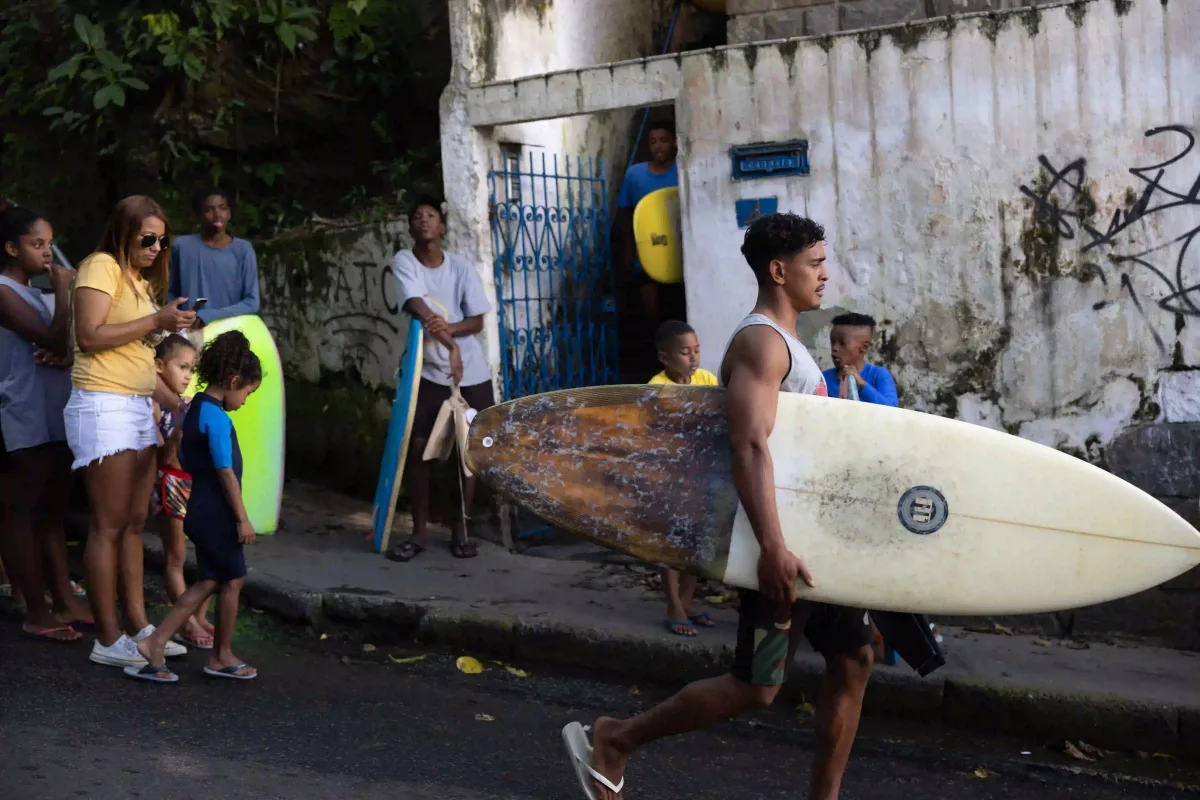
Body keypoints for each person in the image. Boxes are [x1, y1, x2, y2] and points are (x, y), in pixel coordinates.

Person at [563, 213, 874, 800]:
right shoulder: (761, 343)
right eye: (815, 264)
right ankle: (616, 738)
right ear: (778, 272)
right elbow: (747, 443)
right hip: (778, 544)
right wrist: (774, 549)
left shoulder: (789, 344)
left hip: (815, 542)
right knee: (756, 685)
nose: (825, 275)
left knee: (854, 659)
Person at [67, 195, 195, 668]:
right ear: (124, 232)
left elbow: (141, 359)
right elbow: (90, 336)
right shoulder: (100, 266)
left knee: (135, 524)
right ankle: (107, 637)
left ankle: (140, 627)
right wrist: (156, 321)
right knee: (108, 524)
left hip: (139, 407)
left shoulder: (139, 283)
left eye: (163, 241)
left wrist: (179, 404)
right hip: (104, 405)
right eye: (148, 238)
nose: (156, 248)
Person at [126, 330, 261, 682]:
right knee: (233, 580)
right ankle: (221, 655)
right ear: (233, 381)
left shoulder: (194, 407)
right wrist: (243, 519)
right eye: (247, 392)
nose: (245, 400)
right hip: (216, 511)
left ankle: (154, 643)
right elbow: (225, 472)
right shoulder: (217, 418)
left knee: (208, 582)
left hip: (197, 507)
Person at [0, 204, 92, 640]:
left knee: (52, 512)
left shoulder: (35, 293)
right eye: (37, 244)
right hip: (24, 413)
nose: (47, 253)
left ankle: (64, 598)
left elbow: (65, 344)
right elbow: (55, 337)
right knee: (21, 511)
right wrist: (66, 292)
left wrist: (62, 344)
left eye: (50, 244)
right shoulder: (3, 291)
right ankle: (36, 609)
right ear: (11, 248)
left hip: (52, 412)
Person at [386, 196, 494, 562]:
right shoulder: (405, 262)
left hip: (472, 373)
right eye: (417, 216)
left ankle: (461, 529)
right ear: (411, 227)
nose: (424, 220)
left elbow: (477, 320)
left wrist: (447, 334)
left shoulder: (460, 267)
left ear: (442, 226)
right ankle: (418, 533)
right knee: (419, 449)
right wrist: (450, 347)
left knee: (468, 450)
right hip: (427, 371)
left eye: (430, 215)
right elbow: (418, 307)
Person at [647, 320, 719, 637]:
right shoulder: (656, 387)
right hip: (670, 477)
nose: (693, 358)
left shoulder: (706, 380)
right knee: (671, 545)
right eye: (685, 352)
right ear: (665, 358)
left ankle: (688, 600)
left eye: (697, 350)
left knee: (696, 544)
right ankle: (673, 604)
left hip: (702, 475)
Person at [149, 333, 215, 648]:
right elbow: (159, 450)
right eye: (181, 367)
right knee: (175, 556)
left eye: (192, 369)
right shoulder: (154, 403)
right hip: (168, 483)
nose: (188, 375)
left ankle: (198, 616)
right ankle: (187, 622)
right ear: (158, 366)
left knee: (199, 555)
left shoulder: (187, 405)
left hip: (190, 483)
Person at [168, 188, 261, 335]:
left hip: (231, 333)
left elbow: (251, 302)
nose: (217, 214)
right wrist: (177, 316)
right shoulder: (182, 246)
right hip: (189, 332)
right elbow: (171, 292)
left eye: (222, 208)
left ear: (229, 213)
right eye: (208, 210)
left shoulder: (243, 250)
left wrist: (208, 315)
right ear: (199, 215)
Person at [617, 121, 680, 332]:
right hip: (647, 254)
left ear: (674, 142)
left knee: (681, 312)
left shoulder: (683, 171)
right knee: (652, 317)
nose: (658, 146)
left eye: (664, 140)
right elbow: (626, 216)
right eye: (653, 141)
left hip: (678, 254)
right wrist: (628, 254)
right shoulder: (634, 175)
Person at [821, 313, 898, 406]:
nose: (835, 348)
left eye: (842, 343)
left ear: (864, 347)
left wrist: (861, 384)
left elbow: (892, 410)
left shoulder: (878, 375)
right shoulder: (823, 379)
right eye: (832, 342)